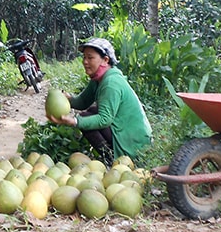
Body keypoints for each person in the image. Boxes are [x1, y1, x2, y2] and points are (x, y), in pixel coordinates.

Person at [47, 37, 152, 165]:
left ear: (105, 60)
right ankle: (109, 156)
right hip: (123, 129)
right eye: (84, 57)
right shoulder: (98, 79)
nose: (85, 62)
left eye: (90, 58)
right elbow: (83, 102)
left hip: (134, 141)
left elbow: (104, 119)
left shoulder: (111, 83)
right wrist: (68, 99)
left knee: (86, 118)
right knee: (91, 111)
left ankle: (111, 159)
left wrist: (74, 121)